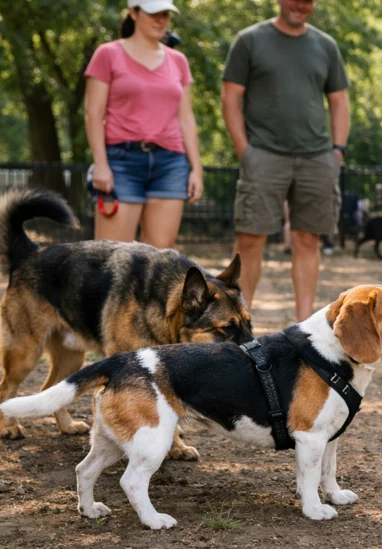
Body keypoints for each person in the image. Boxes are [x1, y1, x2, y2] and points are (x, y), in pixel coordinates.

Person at [222, 0, 349, 320]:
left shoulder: (325, 45)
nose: (300, 6)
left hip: (317, 157)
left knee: (307, 240)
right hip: (264, 154)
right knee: (250, 240)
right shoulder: (249, 40)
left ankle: (305, 324)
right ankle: (240, 322)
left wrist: (337, 151)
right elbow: (230, 97)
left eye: (307, 1)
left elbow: (338, 100)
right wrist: (244, 151)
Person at [84, 0, 203, 249]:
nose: (161, 20)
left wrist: (196, 169)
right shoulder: (108, 54)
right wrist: (101, 165)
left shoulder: (178, 60)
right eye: (153, 13)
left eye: (165, 14)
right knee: (112, 258)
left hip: (170, 163)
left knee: (160, 261)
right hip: (121, 162)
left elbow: (186, 118)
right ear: (133, 13)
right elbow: (93, 113)